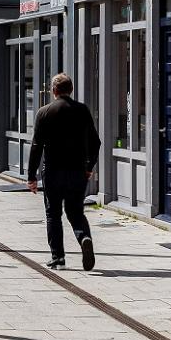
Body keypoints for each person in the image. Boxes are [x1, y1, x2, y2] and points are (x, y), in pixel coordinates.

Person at [27, 73, 100, 271]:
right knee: (76, 211)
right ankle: (84, 237)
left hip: (52, 172)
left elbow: (36, 146)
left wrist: (31, 176)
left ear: (53, 91)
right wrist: (88, 167)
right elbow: (95, 142)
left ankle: (58, 257)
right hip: (77, 172)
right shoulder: (82, 110)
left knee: (53, 214)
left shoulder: (44, 112)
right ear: (71, 90)